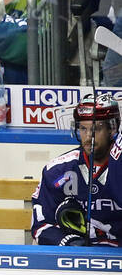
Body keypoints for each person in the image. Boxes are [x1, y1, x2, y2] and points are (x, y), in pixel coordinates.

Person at [32, 95, 120, 246]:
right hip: (75, 258)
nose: (88, 137)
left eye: (96, 129)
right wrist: (68, 243)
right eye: (83, 128)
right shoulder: (58, 171)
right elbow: (41, 224)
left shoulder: (118, 166)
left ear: (112, 128)